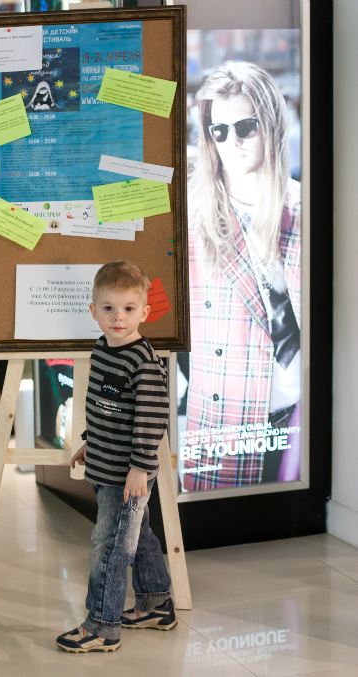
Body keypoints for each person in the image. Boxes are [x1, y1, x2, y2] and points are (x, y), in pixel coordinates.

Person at [184, 61, 301, 490]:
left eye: (246, 127)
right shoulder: (192, 217)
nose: (231, 141)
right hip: (223, 420)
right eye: (218, 130)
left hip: (299, 418)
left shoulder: (304, 210)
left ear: (271, 124)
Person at [56, 261, 176, 654]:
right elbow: (102, 407)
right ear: (94, 311)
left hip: (127, 475)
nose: (118, 317)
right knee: (136, 536)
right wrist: (89, 443)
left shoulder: (142, 361)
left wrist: (139, 468)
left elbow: (151, 419)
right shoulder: (103, 348)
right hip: (105, 465)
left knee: (108, 547)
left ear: (144, 312)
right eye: (108, 308)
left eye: (128, 308)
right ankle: (157, 604)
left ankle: (102, 626)